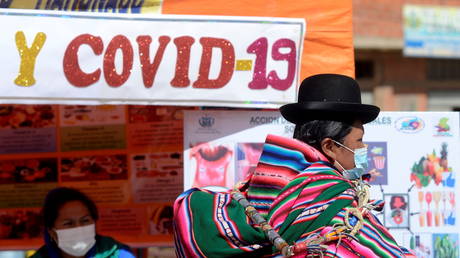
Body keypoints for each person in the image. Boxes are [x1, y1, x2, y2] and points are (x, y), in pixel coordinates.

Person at [173, 74, 414, 257]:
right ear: (329, 146)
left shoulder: (261, 186)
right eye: (359, 141)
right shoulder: (332, 198)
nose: (363, 150)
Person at [31, 187, 135, 258]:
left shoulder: (118, 254)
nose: (79, 229)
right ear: (52, 232)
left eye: (85, 221)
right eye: (68, 223)